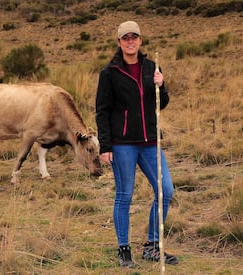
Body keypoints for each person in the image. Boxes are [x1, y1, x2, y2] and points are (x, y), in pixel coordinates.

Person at [95, 20, 178, 268]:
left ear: (140, 40)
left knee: (166, 191)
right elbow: (102, 111)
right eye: (125, 38)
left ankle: (152, 247)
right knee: (125, 196)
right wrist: (105, 146)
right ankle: (124, 250)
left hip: (151, 142)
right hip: (123, 145)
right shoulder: (109, 73)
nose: (130, 41)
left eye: (134, 37)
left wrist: (161, 86)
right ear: (119, 42)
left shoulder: (151, 67)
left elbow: (160, 104)